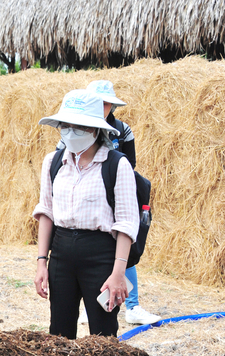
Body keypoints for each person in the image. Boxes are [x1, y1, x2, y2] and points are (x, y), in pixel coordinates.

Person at [33, 89, 139, 339]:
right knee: (59, 332)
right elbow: (46, 212)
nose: (71, 132)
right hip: (62, 252)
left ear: (95, 129)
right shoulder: (53, 162)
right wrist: (41, 262)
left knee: (103, 335)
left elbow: (126, 223)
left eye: (79, 127)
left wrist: (118, 273)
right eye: (65, 126)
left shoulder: (116, 164)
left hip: (101, 255)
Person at [75, 80, 161, 325]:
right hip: (89, 199)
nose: (104, 107)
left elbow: (129, 165)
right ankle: (89, 304)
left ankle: (132, 306)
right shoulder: (77, 128)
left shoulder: (123, 130)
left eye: (107, 103)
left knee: (126, 249)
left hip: (117, 197)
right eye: (99, 103)